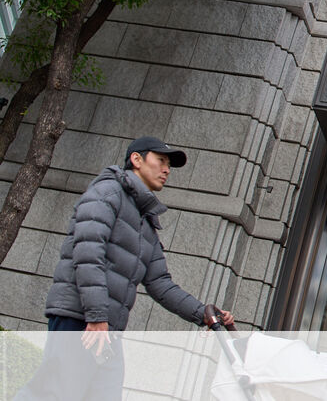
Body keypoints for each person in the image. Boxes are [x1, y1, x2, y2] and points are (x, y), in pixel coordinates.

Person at [16, 136, 234, 400]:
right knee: (54, 394)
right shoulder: (107, 193)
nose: (166, 169)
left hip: (106, 328)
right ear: (136, 159)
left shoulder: (145, 223)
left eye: (169, 165)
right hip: (81, 319)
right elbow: (87, 252)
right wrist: (96, 316)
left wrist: (205, 314)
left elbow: (160, 283)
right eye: (161, 160)